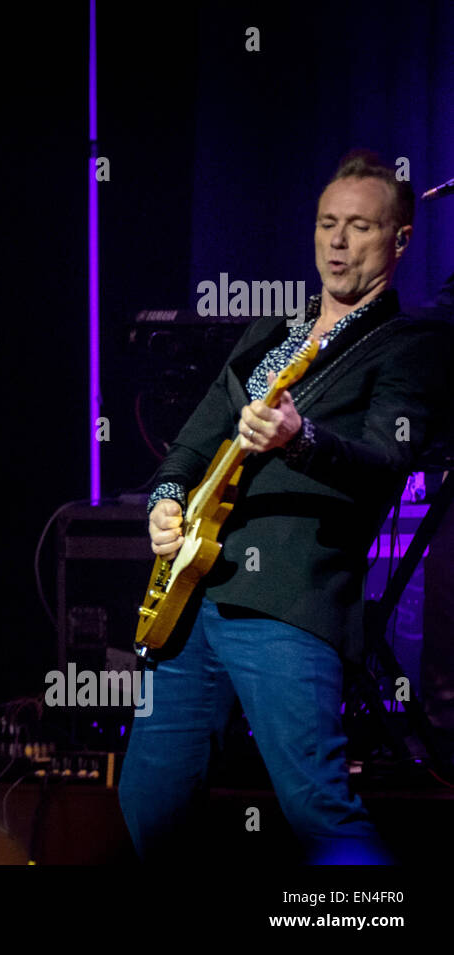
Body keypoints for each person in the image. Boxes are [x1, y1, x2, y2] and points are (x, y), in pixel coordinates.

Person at [119, 151, 452, 864]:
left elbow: (387, 462)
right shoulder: (272, 332)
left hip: (289, 601)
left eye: (359, 226)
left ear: (399, 241)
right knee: (149, 799)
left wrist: (303, 439)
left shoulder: (410, 345)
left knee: (318, 807)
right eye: (327, 223)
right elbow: (190, 444)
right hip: (191, 594)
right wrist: (167, 500)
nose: (336, 241)